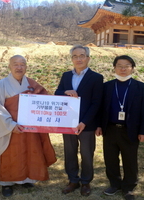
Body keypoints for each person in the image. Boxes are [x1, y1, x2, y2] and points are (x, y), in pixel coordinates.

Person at [0, 55, 57, 197]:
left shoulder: (32, 84)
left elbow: (45, 101)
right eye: (15, 64)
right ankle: (7, 183)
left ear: (26, 67)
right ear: (9, 66)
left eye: (22, 64)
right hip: (11, 127)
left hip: (30, 127)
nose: (19, 67)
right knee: (10, 154)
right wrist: (11, 125)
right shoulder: (1, 85)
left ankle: (27, 179)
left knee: (31, 151)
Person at [95, 55, 144, 200]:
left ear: (132, 68)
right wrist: (99, 125)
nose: (123, 68)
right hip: (110, 129)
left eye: (127, 65)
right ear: (114, 68)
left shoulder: (141, 87)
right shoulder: (107, 86)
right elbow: (101, 108)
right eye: (119, 65)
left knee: (130, 159)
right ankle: (114, 184)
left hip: (130, 129)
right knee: (110, 158)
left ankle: (129, 187)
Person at [55, 45, 103, 196]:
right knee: (70, 152)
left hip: (86, 124)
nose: (79, 59)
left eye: (82, 55)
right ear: (72, 59)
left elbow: (97, 102)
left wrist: (85, 122)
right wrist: (65, 92)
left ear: (88, 58)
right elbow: (57, 93)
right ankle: (73, 180)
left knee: (87, 154)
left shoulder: (96, 77)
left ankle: (86, 182)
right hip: (68, 122)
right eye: (75, 56)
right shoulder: (66, 76)